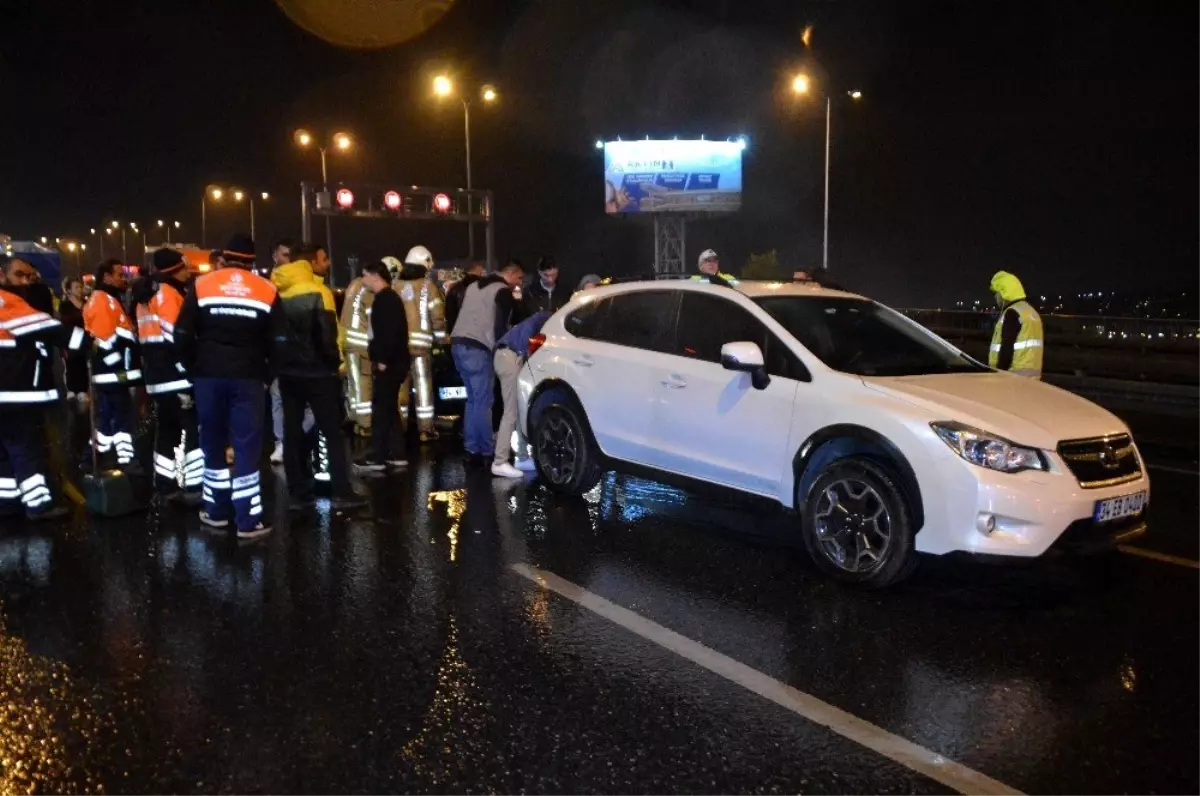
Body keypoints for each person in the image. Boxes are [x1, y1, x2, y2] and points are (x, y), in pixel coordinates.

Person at [175, 234, 288, 539]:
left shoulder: (202, 285)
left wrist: (193, 368)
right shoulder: (265, 289)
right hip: (248, 377)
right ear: (252, 261)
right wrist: (267, 374)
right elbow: (280, 341)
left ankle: (216, 513)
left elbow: (182, 332)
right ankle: (248, 521)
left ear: (224, 257)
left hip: (208, 377)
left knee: (211, 442)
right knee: (246, 446)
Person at [271, 242, 364, 510]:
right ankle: (341, 491)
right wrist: (334, 365)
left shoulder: (276, 291)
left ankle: (298, 493)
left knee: (291, 430)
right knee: (332, 432)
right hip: (318, 373)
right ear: (310, 262)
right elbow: (327, 337)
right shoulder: (318, 292)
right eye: (323, 258)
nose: (328, 263)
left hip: (288, 373)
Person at [0, 254, 88, 520]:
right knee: (26, 447)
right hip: (14, 394)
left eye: (30, 276)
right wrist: (87, 342)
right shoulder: (7, 301)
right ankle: (38, 505)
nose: (26, 281)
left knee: (4, 451)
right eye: (19, 275)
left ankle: (8, 503)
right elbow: (49, 329)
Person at [133, 248, 203, 502]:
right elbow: (178, 337)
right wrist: (192, 367)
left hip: (156, 376)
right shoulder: (169, 294)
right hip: (177, 375)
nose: (188, 273)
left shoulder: (145, 296)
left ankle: (164, 484)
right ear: (174, 270)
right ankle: (195, 486)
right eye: (184, 268)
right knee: (192, 429)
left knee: (167, 431)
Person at [449, 260, 523, 466]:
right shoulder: (502, 291)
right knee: (483, 401)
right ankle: (486, 450)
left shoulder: (474, 286)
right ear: (511, 273)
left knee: (473, 400)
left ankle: (472, 447)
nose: (518, 284)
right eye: (518, 278)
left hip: (457, 344)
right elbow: (501, 329)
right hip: (478, 348)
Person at [83, 259, 141, 468]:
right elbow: (103, 340)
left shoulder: (107, 299)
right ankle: (123, 459)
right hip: (113, 374)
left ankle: (94, 458)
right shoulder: (101, 300)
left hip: (113, 373)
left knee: (110, 419)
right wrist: (120, 367)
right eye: (119, 274)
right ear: (106, 277)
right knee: (120, 417)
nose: (123, 278)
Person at [356, 260, 410, 471]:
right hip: (396, 363)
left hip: (389, 364)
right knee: (389, 408)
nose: (362, 280)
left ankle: (377, 457)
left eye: (364, 275)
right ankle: (398, 454)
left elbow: (387, 334)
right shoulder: (388, 299)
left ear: (375, 275)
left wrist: (383, 360)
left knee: (381, 409)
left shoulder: (385, 300)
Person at [393, 245, 446, 442]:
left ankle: (401, 426)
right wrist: (441, 340)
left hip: (399, 348)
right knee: (423, 386)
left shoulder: (395, 286)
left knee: (401, 388)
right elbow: (438, 316)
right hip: (421, 348)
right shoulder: (428, 287)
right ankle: (426, 429)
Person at [339, 256, 394, 438]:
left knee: (353, 382)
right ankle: (365, 424)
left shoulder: (354, 284)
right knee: (363, 382)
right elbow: (373, 320)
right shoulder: (369, 290)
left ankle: (354, 418)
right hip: (361, 343)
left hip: (347, 339)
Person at [491, 310, 551, 478]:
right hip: (509, 356)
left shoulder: (540, 319)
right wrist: (521, 352)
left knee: (517, 408)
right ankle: (499, 461)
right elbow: (531, 326)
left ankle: (522, 457)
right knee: (510, 411)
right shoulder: (545, 318)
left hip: (505, 355)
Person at [267, 238, 294, 462]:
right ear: (275, 256)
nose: (288, 260)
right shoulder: (268, 285)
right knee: (277, 399)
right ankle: (282, 443)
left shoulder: (301, 282)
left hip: (297, 350)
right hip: (277, 352)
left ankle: (292, 440)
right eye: (285, 255)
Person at [989, 271, 1044, 379]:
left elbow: (1006, 349)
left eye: (997, 293)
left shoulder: (1012, 313)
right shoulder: (1031, 312)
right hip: (1033, 379)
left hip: (1012, 379)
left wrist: (999, 374)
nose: (996, 297)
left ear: (1004, 292)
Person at [444, 261, 485, 333]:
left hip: (457, 332)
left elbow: (449, 313)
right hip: (478, 334)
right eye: (481, 272)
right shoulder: (483, 288)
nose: (483, 274)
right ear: (477, 271)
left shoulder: (455, 288)